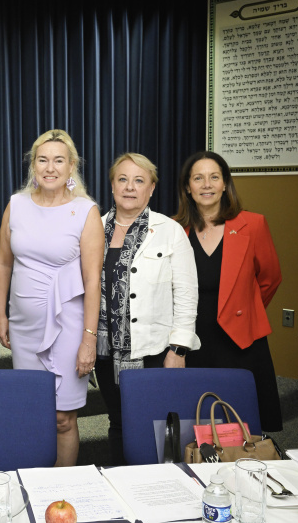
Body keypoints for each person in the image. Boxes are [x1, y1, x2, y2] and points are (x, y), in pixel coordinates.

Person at [0, 129, 103, 467]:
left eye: (59, 160)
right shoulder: (17, 205)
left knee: (62, 419)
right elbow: (2, 261)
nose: (50, 167)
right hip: (25, 328)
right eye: (43, 160)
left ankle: (61, 493)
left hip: (68, 329)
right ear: (33, 165)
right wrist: (0, 315)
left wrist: (89, 339)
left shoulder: (87, 211)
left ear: (72, 167)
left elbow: (92, 280)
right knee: (31, 411)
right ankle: (33, 485)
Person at [95, 152, 200, 465]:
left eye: (139, 181)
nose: (130, 187)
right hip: (105, 351)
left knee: (156, 424)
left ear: (151, 188)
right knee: (117, 421)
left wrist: (178, 349)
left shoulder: (169, 231)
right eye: (123, 179)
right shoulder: (94, 228)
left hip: (155, 351)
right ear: (112, 186)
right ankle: (121, 485)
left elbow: (186, 293)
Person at [174, 151, 282, 432]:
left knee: (242, 425)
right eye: (198, 178)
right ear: (188, 187)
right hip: (192, 338)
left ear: (225, 184)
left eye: (214, 177)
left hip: (240, 340)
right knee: (194, 422)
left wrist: (246, 311)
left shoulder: (253, 224)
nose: (206, 184)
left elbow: (270, 278)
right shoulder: (174, 229)